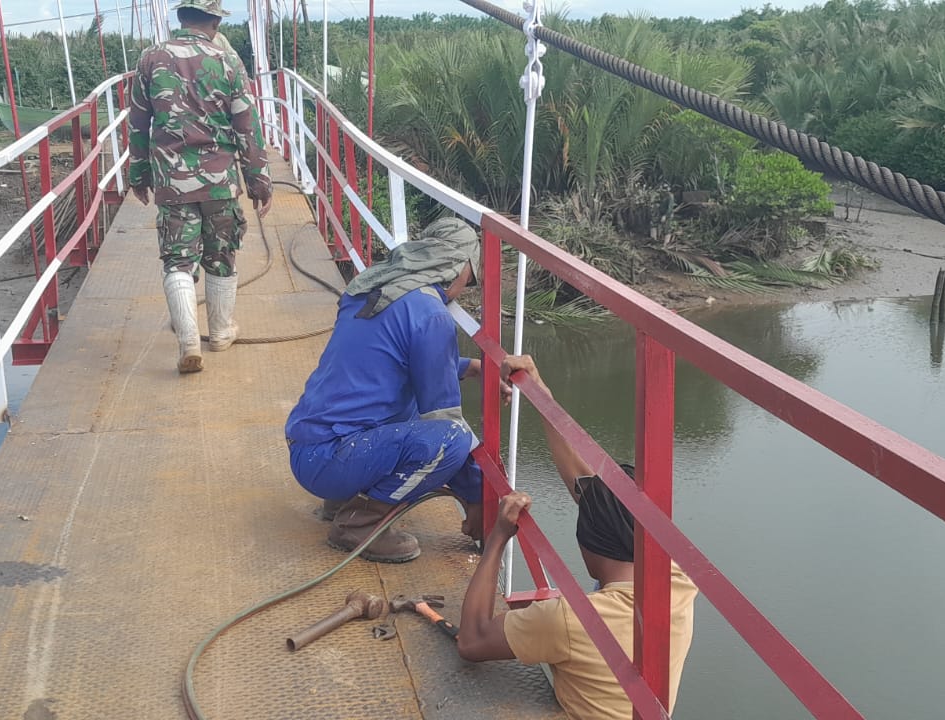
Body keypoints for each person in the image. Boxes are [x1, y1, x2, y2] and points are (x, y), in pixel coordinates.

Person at [456, 356, 698, 720]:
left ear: (588, 542)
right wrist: (538, 389)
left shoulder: (571, 620)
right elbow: (589, 485)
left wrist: (498, 539)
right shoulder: (677, 581)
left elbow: (472, 641)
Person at [285, 218, 490, 563]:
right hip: (330, 461)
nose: (467, 285)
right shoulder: (431, 313)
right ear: (457, 267)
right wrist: (478, 496)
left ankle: (342, 499)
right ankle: (358, 524)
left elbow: (387, 359)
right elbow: (445, 422)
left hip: (307, 448)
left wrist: (467, 367)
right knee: (451, 438)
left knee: (405, 404)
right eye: (471, 276)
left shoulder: (374, 286)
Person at [128, 0, 273, 375]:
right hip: (220, 182)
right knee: (222, 254)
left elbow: (138, 123)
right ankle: (221, 332)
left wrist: (138, 175)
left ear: (181, 17)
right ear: (214, 22)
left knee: (177, 259)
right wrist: (258, 180)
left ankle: (189, 340)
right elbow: (247, 126)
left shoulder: (150, 59)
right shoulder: (227, 60)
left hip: (172, 182)